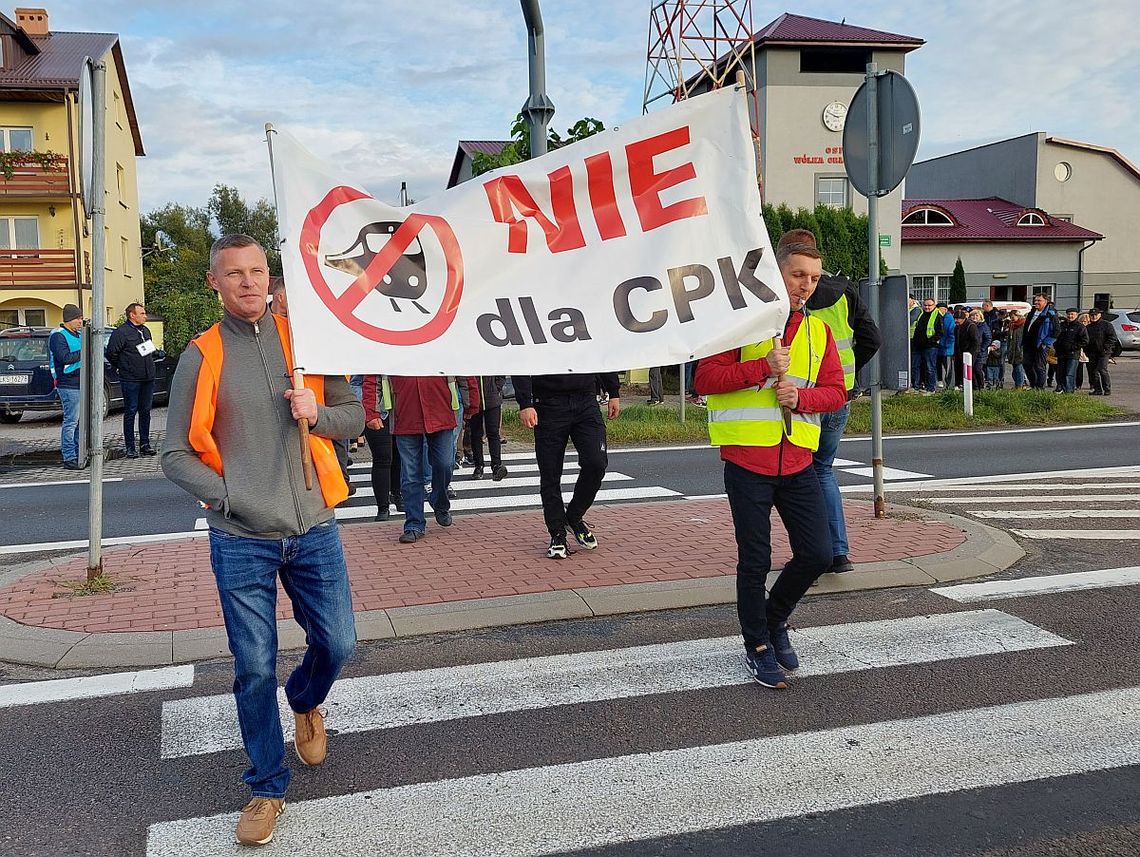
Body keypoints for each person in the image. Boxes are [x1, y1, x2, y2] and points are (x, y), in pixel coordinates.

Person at [161, 234, 363, 847]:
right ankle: (266, 786)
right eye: (233, 273)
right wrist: (229, 499)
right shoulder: (202, 355)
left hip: (314, 527)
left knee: (340, 643)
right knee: (252, 666)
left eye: (256, 271)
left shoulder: (309, 342)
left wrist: (317, 413)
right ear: (214, 283)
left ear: (270, 277)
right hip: (240, 536)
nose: (248, 282)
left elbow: (353, 414)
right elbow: (173, 454)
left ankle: (305, 699)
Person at [694, 238, 846, 689]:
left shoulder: (818, 332)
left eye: (814, 278)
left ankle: (775, 619)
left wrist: (801, 397)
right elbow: (704, 378)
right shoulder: (739, 324)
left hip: (798, 459)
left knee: (818, 554)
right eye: (798, 275)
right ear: (775, 273)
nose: (806, 285)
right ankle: (757, 645)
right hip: (747, 461)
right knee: (754, 560)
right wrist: (760, 367)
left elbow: (836, 391)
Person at [781, 229, 881, 577]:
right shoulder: (845, 290)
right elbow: (872, 338)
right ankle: (838, 552)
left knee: (797, 474)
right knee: (823, 469)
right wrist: (850, 371)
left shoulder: (784, 294)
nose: (805, 282)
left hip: (796, 396)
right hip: (839, 395)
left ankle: (810, 552)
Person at [513, 371, 621, 559]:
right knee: (550, 474)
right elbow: (519, 360)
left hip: (586, 400)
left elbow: (601, 350)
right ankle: (557, 533)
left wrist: (614, 391)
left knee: (596, 463)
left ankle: (573, 516)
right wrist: (525, 403)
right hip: (547, 403)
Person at [390, 375, 478, 543]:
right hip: (405, 414)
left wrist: (471, 403)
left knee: (445, 464)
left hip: (440, 410)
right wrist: (372, 412)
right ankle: (414, 524)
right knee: (410, 474)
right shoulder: (393, 348)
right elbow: (374, 373)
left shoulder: (442, 347)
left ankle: (439, 501)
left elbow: (462, 368)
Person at [105, 302, 160, 458]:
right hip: (130, 379)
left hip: (147, 377)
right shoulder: (121, 333)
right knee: (130, 411)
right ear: (132, 315)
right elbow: (111, 353)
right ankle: (130, 446)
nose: (145, 316)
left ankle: (145, 443)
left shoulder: (145, 331)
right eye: (142, 313)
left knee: (145, 411)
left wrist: (155, 354)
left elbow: (146, 350)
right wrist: (123, 366)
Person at [49, 304, 84, 469]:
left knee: (78, 423)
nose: (80, 321)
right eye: (78, 318)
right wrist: (85, 351)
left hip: (80, 382)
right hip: (68, 384)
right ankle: (69, 457)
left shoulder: (77, 335)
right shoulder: (58, 336)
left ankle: (79, 454)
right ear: (70, 319)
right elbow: (64, 358)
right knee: (71, 421)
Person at [361, 374, 397, 521]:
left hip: (400, 410)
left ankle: (397, 494)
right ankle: (383, 506)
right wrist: (370, 413)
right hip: (377, 411)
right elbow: (363, 383)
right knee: (383, 458)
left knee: (399, 455)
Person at [469, 375, 508, 481]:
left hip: (493, 398)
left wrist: (497, 387)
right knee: (476, 433)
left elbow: (501, 371)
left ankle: (496, 465)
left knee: (494, 433)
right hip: (474, 399)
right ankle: (478, 466)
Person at [1022, 293, 1057, 389]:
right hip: (1028, 344)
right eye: (1036, 300)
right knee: (1026, 364)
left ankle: (1040, 387)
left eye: (1039, 300)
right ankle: (1033, 385)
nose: (1036, 302)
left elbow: (1056, 331)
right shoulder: (1032, 312)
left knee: (1039, 367)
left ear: (1046, 301)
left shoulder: (1050, 314)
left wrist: (1046, 343)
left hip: (1041, 344)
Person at [1085, 306, 1121, 396]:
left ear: (1100, 315)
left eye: (1095, 315)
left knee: (1102, 369)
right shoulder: (1088, 327)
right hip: (1092, 353)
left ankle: (1107, 389)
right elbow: (1085, 340)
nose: (1094, 317)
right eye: (1092, 315)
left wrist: (1106, 347)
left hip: (1104, 352)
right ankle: (1097, 389)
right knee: (1093, 372)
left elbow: (1113, 337)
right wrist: (1086, 350)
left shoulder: (1106, 325)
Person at [910, 297, 942, 392]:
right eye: (925, 305)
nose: (927, 307)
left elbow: (940, 333)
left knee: (930, 368)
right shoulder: (922, 314)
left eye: (929, 305)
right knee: (915, 366)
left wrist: (931, 341)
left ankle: (931, 388)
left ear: (934, 305)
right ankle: (916, 386)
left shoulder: (937, 315)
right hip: (918, 345)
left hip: (930, 346)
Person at [1052, 307, 1088, 394]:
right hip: (1061, 354)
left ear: (1076, 315)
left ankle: (1069, 391)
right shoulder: (1062, 325)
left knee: (1069, 374)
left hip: (1073, 354)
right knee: (1060, 373)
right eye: (1068, 314)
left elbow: (1085, 341)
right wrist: (1056, 346)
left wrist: (1074, 347)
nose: (1070, 316)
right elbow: (1055, 337)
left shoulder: (1080, 327)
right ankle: (1062, 389)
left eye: (1072, 314)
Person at [969, 309, 991, 390]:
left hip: (981, 352)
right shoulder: (969, 325)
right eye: (973, 315)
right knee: (972, 369)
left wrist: (982, 348)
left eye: (976, 315)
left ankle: (981, 385)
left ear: (980, 316)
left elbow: (988, 339)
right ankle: (975, 386)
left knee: (977, 368)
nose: (975, 317)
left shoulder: (983, 326)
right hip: (971, 351)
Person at [937, 302, 956, 388]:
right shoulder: (942, 317)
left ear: (945, 309)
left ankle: (949, 385)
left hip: (947, 348)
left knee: (948, 367)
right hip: (941, 347)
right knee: (941, 366)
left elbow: (951, 333)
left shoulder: (948, 318)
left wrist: (947, 345)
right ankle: (943, 382)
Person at [1006, 310, 1027, 389]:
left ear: (1018, 316)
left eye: (1013, 317)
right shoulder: (1011, 325)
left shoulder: (1023, 325)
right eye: (1011, 317)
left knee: (1019, 369)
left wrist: (1022, 349)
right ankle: (1017, 384)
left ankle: (1020, 385)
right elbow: (1009, 339)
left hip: (1020, 350)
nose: (1011, 319)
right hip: (1013, 350)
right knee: (1015, 369)